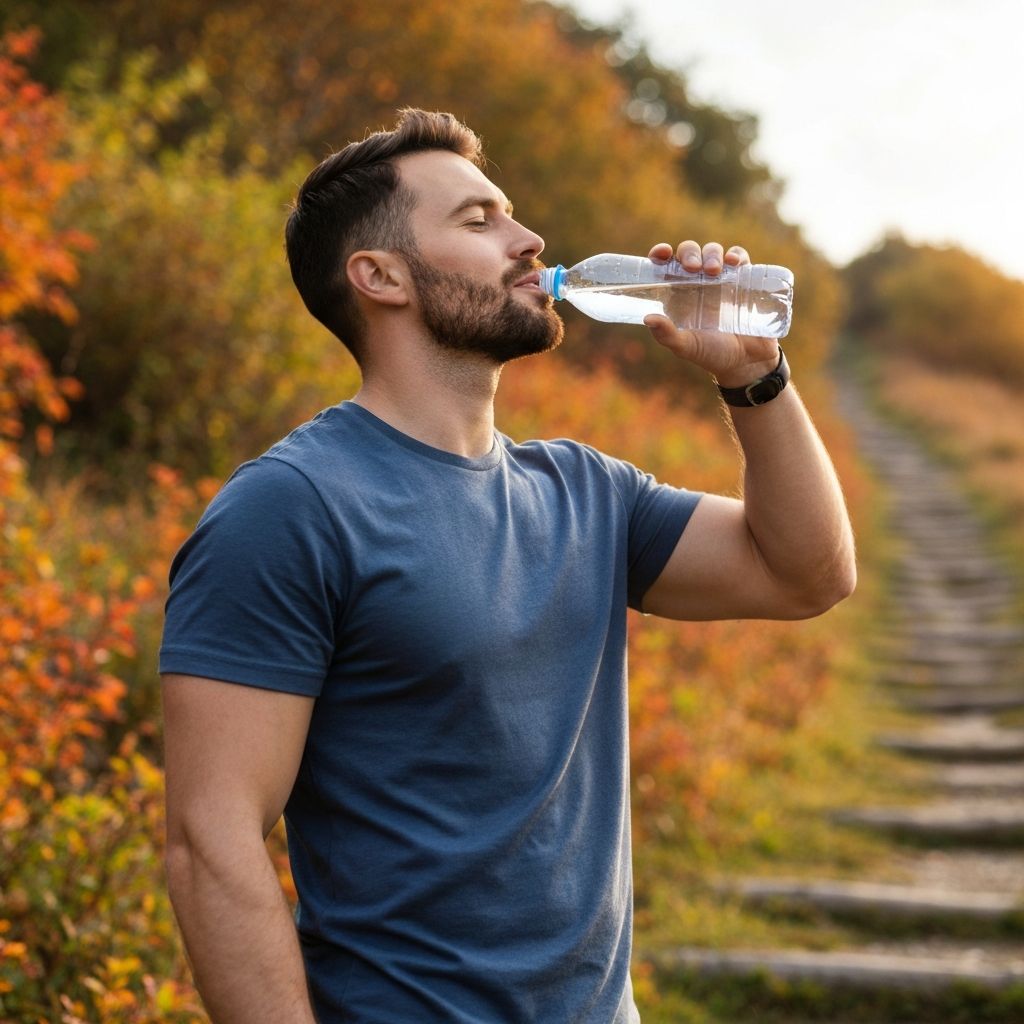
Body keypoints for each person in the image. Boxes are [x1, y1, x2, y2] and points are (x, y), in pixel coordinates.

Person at [159, 108, 856, 1024]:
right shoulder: (290, 509)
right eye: (479, 221)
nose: (529, 241)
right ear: (380, 277)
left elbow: (806, 573)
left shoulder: (585, 491)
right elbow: (212, 842)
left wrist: (753, 376)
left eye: (513, 214)